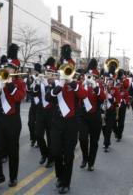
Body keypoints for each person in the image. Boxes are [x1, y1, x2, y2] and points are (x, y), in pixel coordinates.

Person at [46, 44, 87, 194]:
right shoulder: (57, 83)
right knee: (56, 151)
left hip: (71, 122)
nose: (65, 71)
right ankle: (59, 176)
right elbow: (48, 98)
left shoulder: (76, 83)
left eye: (68, 69)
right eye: (63, 69)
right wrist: (59, 85)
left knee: (68, 154)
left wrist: (72, 83)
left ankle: (66, 182)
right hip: (57, 121)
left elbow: (83, 95)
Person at [0, 44, 26, 188]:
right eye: (6, 67)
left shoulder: (20, 83)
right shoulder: (0, 80)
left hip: (13, 121)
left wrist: (9, 84)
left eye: (10, 68)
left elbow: (19, 97)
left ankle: (13, 177)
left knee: (12, 151)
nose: (7, 70)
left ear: (15, 70)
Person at [79, 58, 106, 171]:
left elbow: (103, 98)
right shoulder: (81, 84)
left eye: (92, 76)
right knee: (83, 139)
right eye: (88, 76)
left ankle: (91, 163)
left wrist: (95, 86)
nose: (90, 78)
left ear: (96, 77)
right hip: (83, 115)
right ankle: (85, 157)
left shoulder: (99, 85)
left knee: (94, 142)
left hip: (95, 116)